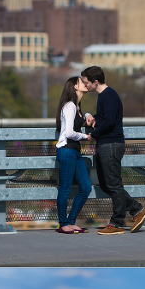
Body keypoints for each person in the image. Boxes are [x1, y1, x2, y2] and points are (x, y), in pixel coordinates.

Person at [80, 65, 145, 235]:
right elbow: (104, 117)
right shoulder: (104, 96)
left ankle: (117, 222)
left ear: (95, 82)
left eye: (86, 82)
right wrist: (92, 117)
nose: (84, 84)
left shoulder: (109, 95)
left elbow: (110, 121)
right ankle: (137, 210)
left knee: (114, 184)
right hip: (106, 145)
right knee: (106, 184)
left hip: (111, 145)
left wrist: (94, 134)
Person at [55, 75, 92, 234]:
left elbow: (80, 119)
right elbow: (69, 132)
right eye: (81, 82)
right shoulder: (69, 106)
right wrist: (86, 137)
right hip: (67, 150)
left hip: (75, 152)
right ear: (75, 87)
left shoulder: (76, 107)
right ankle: (63, 224)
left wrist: (87, 115)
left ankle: (71, 221)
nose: (85, 83)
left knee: (86, 187)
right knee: (65, 189)